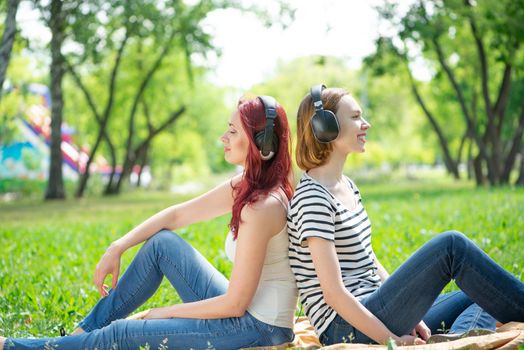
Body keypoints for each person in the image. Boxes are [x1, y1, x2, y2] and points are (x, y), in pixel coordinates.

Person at [1, 96, 298, 350]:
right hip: (243, 312)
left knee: (122, 334)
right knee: (162, 244)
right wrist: (117, 247)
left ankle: (14, 347)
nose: (223, 137)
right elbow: (177, 215)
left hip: (260, 330)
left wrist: (162, 313)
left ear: (263, 144)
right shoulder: (249, 184)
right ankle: (82, 335)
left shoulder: (263, 207)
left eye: (233, 131)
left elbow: (234, 305)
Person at [287, 84, 524, 346]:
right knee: (452, 246)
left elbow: (369, 259)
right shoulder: (313, 198)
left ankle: (454, 341)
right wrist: (391, 340)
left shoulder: (348, 186)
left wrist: (411, 313)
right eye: (355, 117)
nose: (365, 124)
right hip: (345, 325)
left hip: (377, 305)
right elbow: (333, 293)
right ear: (325, 127)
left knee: (484, 290)